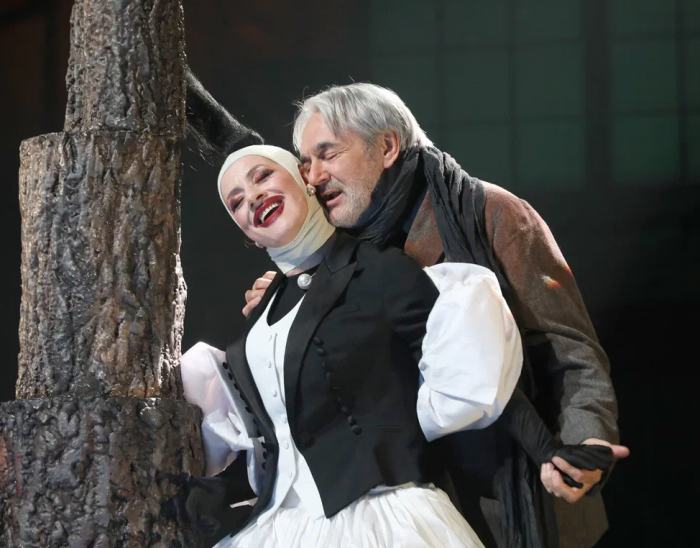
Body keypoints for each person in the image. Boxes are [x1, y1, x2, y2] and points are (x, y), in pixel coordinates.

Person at [237, 84, 630, 547]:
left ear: (387, 146)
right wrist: (289, 309)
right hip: (409, 506)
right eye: (305, 163)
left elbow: (569, 349)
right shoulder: (331, 260)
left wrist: (586, 442)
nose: (313, 176)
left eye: (328, 154)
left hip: (516, 488)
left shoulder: (489, 213)